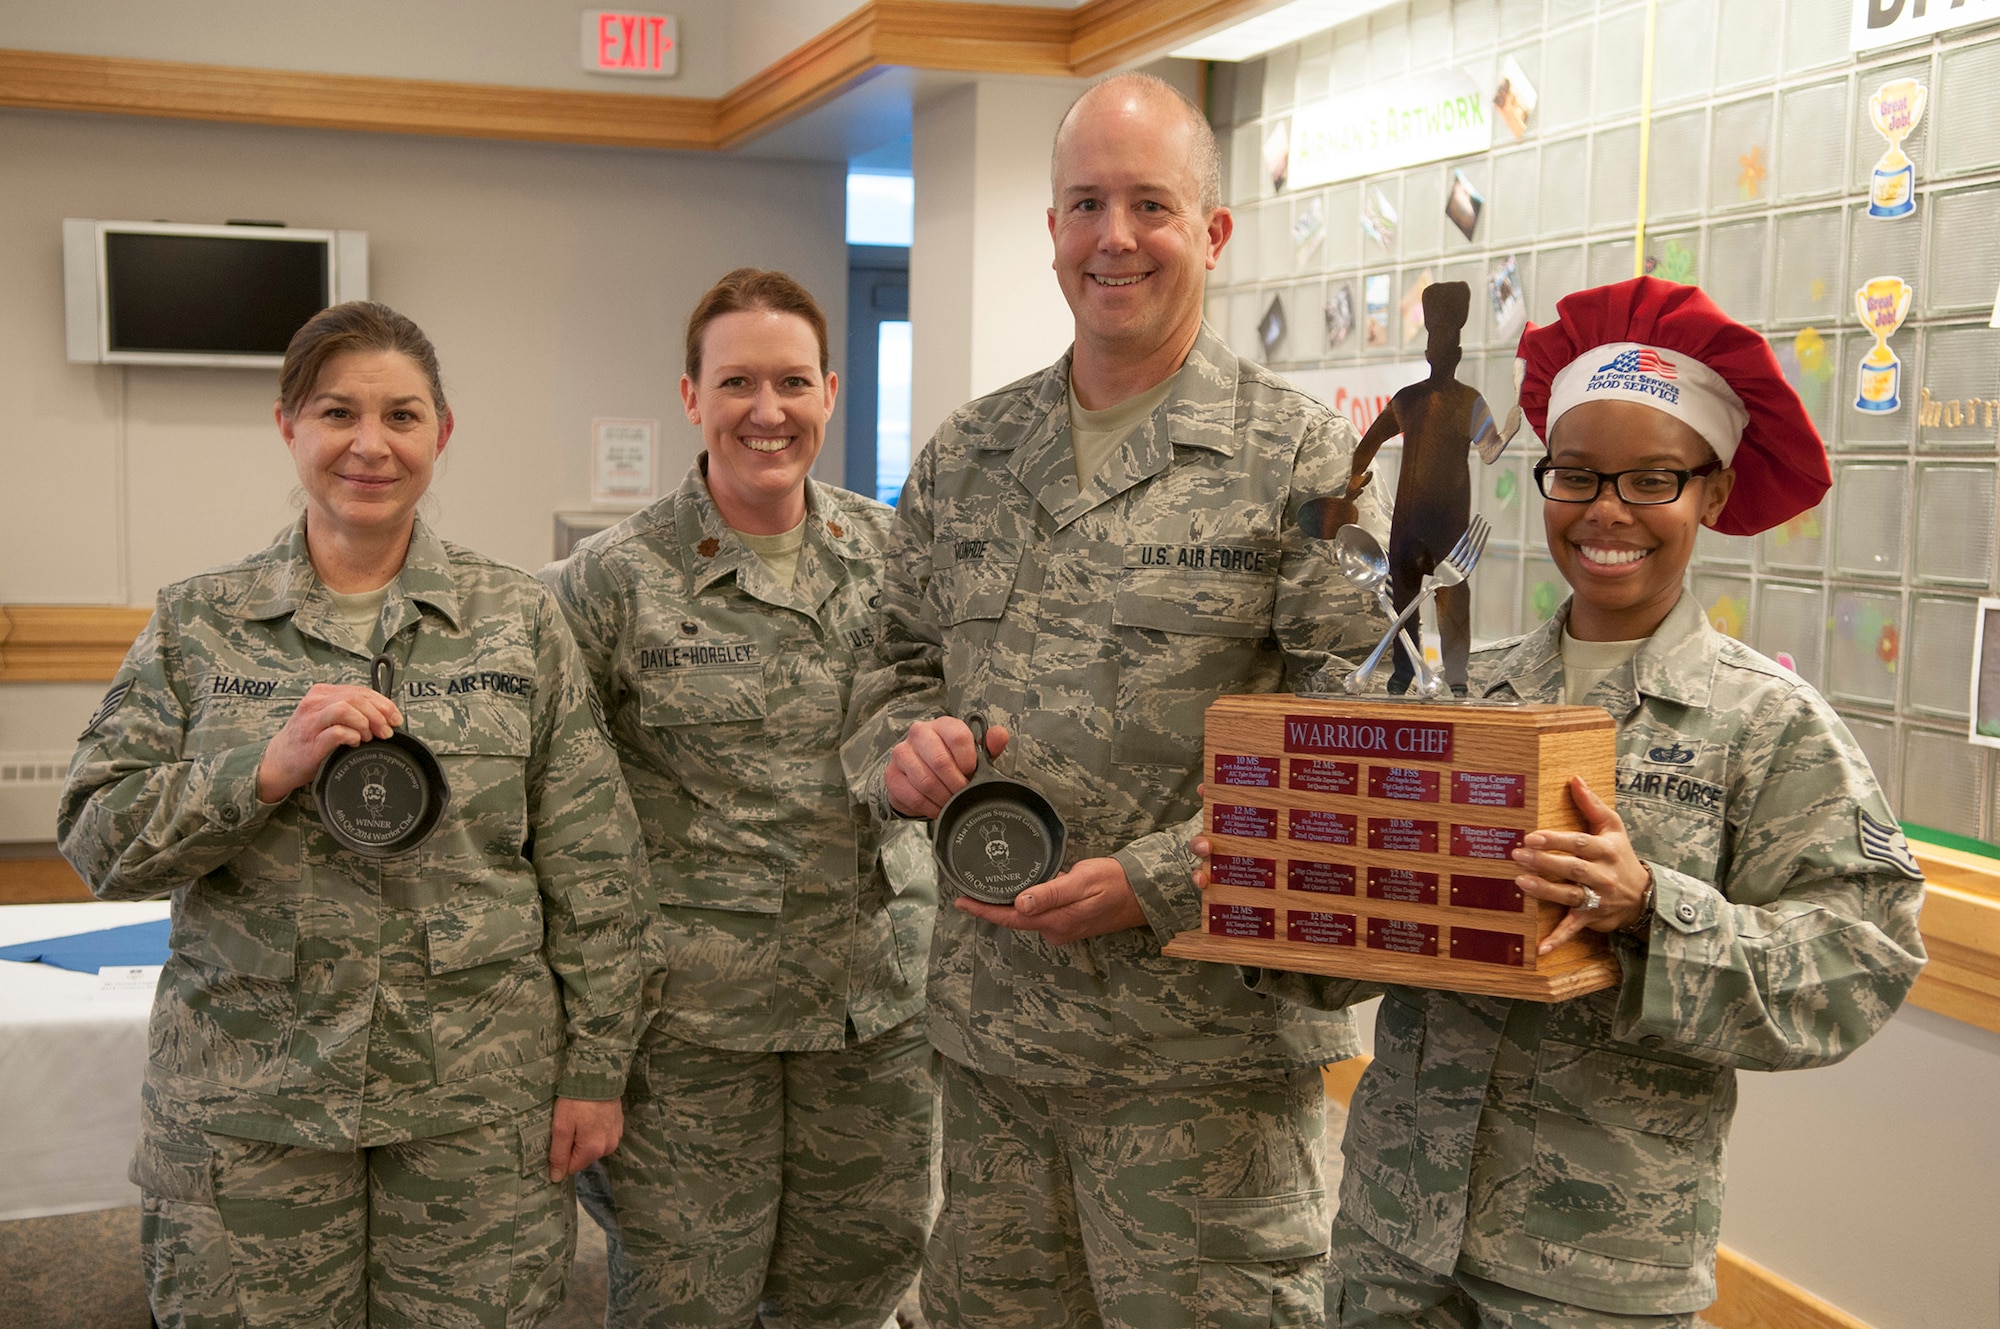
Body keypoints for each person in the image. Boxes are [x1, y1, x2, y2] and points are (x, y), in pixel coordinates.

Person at [840, 74, 1389, 1328]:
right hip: (993, 1050)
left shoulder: (1306, 466)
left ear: (1211, 230)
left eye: (1150, 203)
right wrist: (901, 753)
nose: (1114, 237)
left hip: (1199, 1064)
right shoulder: (967, 459)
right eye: (1085, 203)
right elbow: (886, 671)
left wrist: (1165, 876)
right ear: (1049, 231)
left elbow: (1360, 752)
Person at [1325, 277, 1929, 1327]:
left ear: (1709, 492)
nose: (1606, 510)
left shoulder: (1766, 725)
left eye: (1652, 480)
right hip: (1391, 1242)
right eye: (1575, 475)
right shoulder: (1459, 699)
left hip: (1590, 1271)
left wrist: (1654, 908)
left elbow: (1859, 967)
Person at [57, 301, 647, 1326]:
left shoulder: (518, 621)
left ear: (442, 435)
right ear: (287, 425)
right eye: (337, 413)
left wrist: (594, 1071)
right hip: (252, 1105)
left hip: (474, 1104)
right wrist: (261, 770)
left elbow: (595, 867)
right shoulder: (201, 622)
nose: (370, 445)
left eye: (403, 417)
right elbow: (98, 837)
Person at [543, 268, 935, 1329]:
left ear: (830, 392)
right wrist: (586, 1045)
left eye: (792, 383)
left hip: (872, 1021)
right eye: (736, 384)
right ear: (691, 398)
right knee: (687, 1300)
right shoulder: (607, 586)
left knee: (854, 1291)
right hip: (691, 1038)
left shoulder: (898, 560)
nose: (767, 412)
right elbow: (558, 826)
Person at [1344, 281, 1507, 696]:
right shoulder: (1451, 400)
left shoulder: (1423, 399)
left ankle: (1446, 678)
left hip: (1427, 522)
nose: (1440, 354)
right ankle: (1432, 677)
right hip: (1432, 522)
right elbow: (1491, 451)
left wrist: (1354, 481)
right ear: (1450, 355)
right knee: (1416, 600)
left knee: (1422, 599)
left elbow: (1366, 446)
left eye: (1442, 347)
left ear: (1437, 354)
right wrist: (1351, 484)